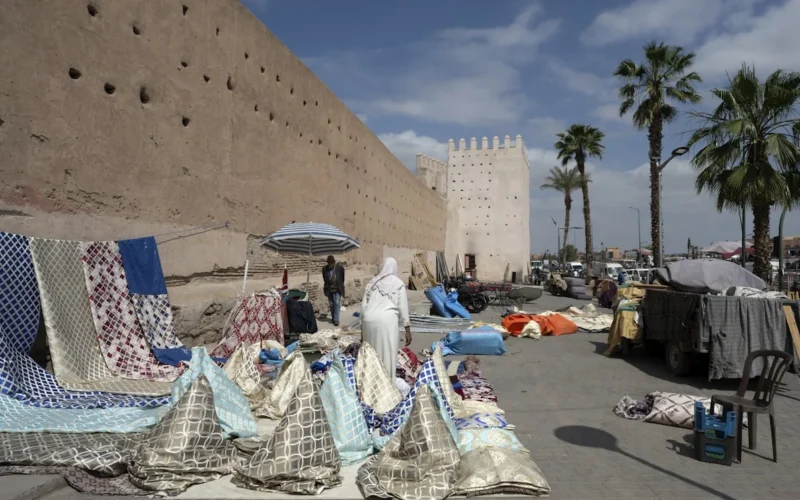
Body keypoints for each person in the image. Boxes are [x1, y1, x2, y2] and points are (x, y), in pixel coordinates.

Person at [361, 257, 411, 379]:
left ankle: (371, 385)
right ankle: (387, 385)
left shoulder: (372, 283)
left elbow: (363, 307)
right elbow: (403, 308)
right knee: (388, 355)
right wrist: (407, 330)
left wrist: (362, 329)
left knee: (371, 355)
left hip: (369, 321)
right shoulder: (398, 284)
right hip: (387, 322)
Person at [322, 255, 345, 326]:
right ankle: (333, 317)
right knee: (331, 304)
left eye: (332, 263)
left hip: (337, 288)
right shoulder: (324, 269)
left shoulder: (339, 268)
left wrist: (340, 285)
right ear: (328, 263)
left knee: (337, 303)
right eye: (329, 263)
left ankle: (336, 320)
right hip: (329, 289)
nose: (330, 265)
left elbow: (342, 278)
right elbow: (324, 279)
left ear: (334, 263)